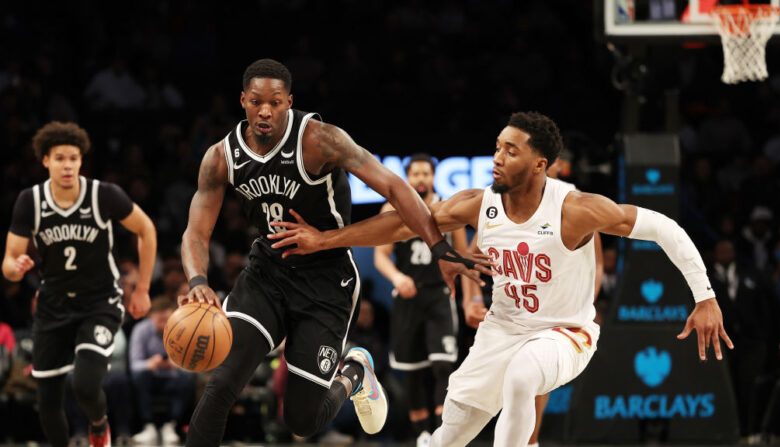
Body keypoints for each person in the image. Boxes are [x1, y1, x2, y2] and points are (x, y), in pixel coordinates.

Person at [268, 111, 734, 446]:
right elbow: (402, 223)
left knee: (523, 377)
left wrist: (705, 296)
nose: (497, 157)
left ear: (539, 165)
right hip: (501, 330)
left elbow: (664, 227)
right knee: (448, 436)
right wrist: (325, 239)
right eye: (496, 147)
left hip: (565, 332)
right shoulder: (479, 202)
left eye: (510, 151)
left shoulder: (574, 209)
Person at [178, 59, 483, 445]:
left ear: (289, 102)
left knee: (302, 421)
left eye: (275, 101)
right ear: (243, 101)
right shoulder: (221, 157)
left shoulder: (320, 139)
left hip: (327, 280)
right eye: (256, 101)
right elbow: (195, 232)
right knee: (221, 384)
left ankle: (354, 372)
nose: (265, 110)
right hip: (266, 275)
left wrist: (438, 247)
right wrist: (198, 280)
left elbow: (394, 188)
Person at [2, 121, 156, 447]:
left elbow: (146, 230)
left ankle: (99, 425)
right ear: (45, 160)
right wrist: (16, 269)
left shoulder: (104, 195)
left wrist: (142, 288)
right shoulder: (30, 201)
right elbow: (8, 263)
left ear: (81, 160)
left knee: (85, 385)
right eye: (60, 158)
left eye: (74, 158)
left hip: (99, 302)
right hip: (53, 303)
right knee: (47, 401)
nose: (68, 165)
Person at [460, 151, 604, 447]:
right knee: (485, 383)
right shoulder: (502, 202)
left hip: (553, 307)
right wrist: (471, 299)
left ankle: (530, 441)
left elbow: (597, 263)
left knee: (531, 377)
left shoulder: (574, 205)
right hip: (507, 304)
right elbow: (470, 258)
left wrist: (584, 305)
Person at [373, 153, 468, 446]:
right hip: (408, 297)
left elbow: (461, 256)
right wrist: (397, 278)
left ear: (434, 177)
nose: (422, 179)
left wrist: (467, 296)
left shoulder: (450, 209)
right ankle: (422, 435)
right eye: (416, 174)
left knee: (442, 365)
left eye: (427, 174)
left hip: (439, 295)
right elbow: (380, 255)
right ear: (408, 178)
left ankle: (441, 433)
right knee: (412, 372)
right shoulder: (392, 208)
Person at [129, 296, 195, 445]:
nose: (165, 324)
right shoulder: (141, 330)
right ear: (151, 316)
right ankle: (148, 425)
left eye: (168, 319)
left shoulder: (183, 331)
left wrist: (177, 364)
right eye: (160, 320)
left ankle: (170, 425)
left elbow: (191, 366)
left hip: (173, 377)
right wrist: (150, 364)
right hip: (150, 377)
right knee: (138, 376)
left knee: (188, 378)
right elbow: (134, 365)